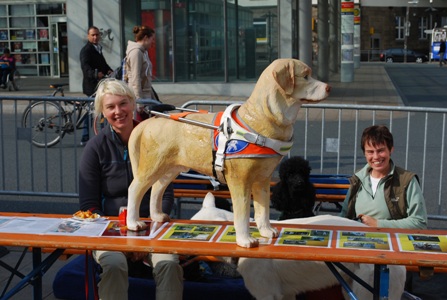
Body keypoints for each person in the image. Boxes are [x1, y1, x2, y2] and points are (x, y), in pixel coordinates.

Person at [78, 78, 182, 300]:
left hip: (152, 227)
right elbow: (89, 206)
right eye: (110, 107)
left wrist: (144, 236)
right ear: (102, 112)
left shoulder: (153, 142)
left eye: (123, 103)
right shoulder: (95, 148)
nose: (118, 111)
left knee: (169, 263)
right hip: (110, 231)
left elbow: (165, 193)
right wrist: (123, 237)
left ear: (133, 104)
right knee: (114, 265)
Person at [340, 125, 427, 230]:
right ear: (364, 154)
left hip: (392, 242)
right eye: (370, 152)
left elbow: (419, 222)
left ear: (391, 150)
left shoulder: (407, 180)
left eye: (381, 150)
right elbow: (343, 216)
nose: (376, 157)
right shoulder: (358, 179)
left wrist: (378, 224)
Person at [79, 26, 113, 146]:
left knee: (99, 111)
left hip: (99, 86)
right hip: (91, 86)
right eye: (93, 35)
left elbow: (103, 63)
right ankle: (85, 136)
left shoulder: (98, 48)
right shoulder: (86, 50)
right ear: (88, 36)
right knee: (90, 112)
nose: (95, 37)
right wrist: (95, 74)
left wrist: (109, 70)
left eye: (97, 35)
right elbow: (85, 67)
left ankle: (103, 134)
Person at [125, 25, 158, 121]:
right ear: (145, 38)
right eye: (152, 39)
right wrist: (139, 102)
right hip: (140, 97)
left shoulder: (142, 52)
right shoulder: (136, 53)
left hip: (145, 95)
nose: (153, 42)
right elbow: (136, 78)